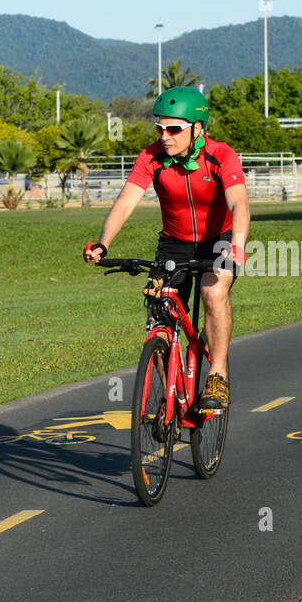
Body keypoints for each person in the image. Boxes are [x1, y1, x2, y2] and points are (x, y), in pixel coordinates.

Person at [83, 87, 249, 409]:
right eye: (160, 128)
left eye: (174, 129)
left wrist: (237, 246)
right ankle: (171, 396)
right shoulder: (151, 158)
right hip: (174, 245)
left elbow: (239, 202)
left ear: (197, 128)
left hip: (220, 241)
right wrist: (103, 242)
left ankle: (217, 374)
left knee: (214, 294)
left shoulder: (221, 155)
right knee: (158, 318)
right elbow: (126, 202)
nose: (165, 136)